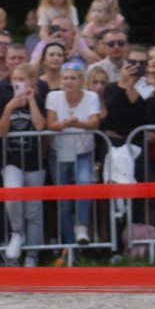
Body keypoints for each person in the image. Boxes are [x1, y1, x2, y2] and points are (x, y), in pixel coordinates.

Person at [0, 63, 47, 265]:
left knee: (34, 211)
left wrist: (31, 101)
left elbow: (40, 126)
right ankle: (17, 233)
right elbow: (2, 130)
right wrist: (9, 108)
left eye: (22, 79)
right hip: (11, 160)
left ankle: (32, 254)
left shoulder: (40, 100)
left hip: (34, 161)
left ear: (32, 81)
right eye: (15, 79)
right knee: (12, 195)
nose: (18, 83)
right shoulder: (4, 100)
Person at [45, 61, 102, 246]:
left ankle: (82, 225)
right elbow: (50, 124)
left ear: (81, 81)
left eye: (73, 78)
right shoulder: (53, 96)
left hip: (83, 152)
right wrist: (64, 124)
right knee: (63, 201)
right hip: (59, 153)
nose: (69, 81)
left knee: (84, 185)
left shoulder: (92, 96)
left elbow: (94, 123)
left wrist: (77, 123)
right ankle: (70, 244)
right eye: (65, 78)